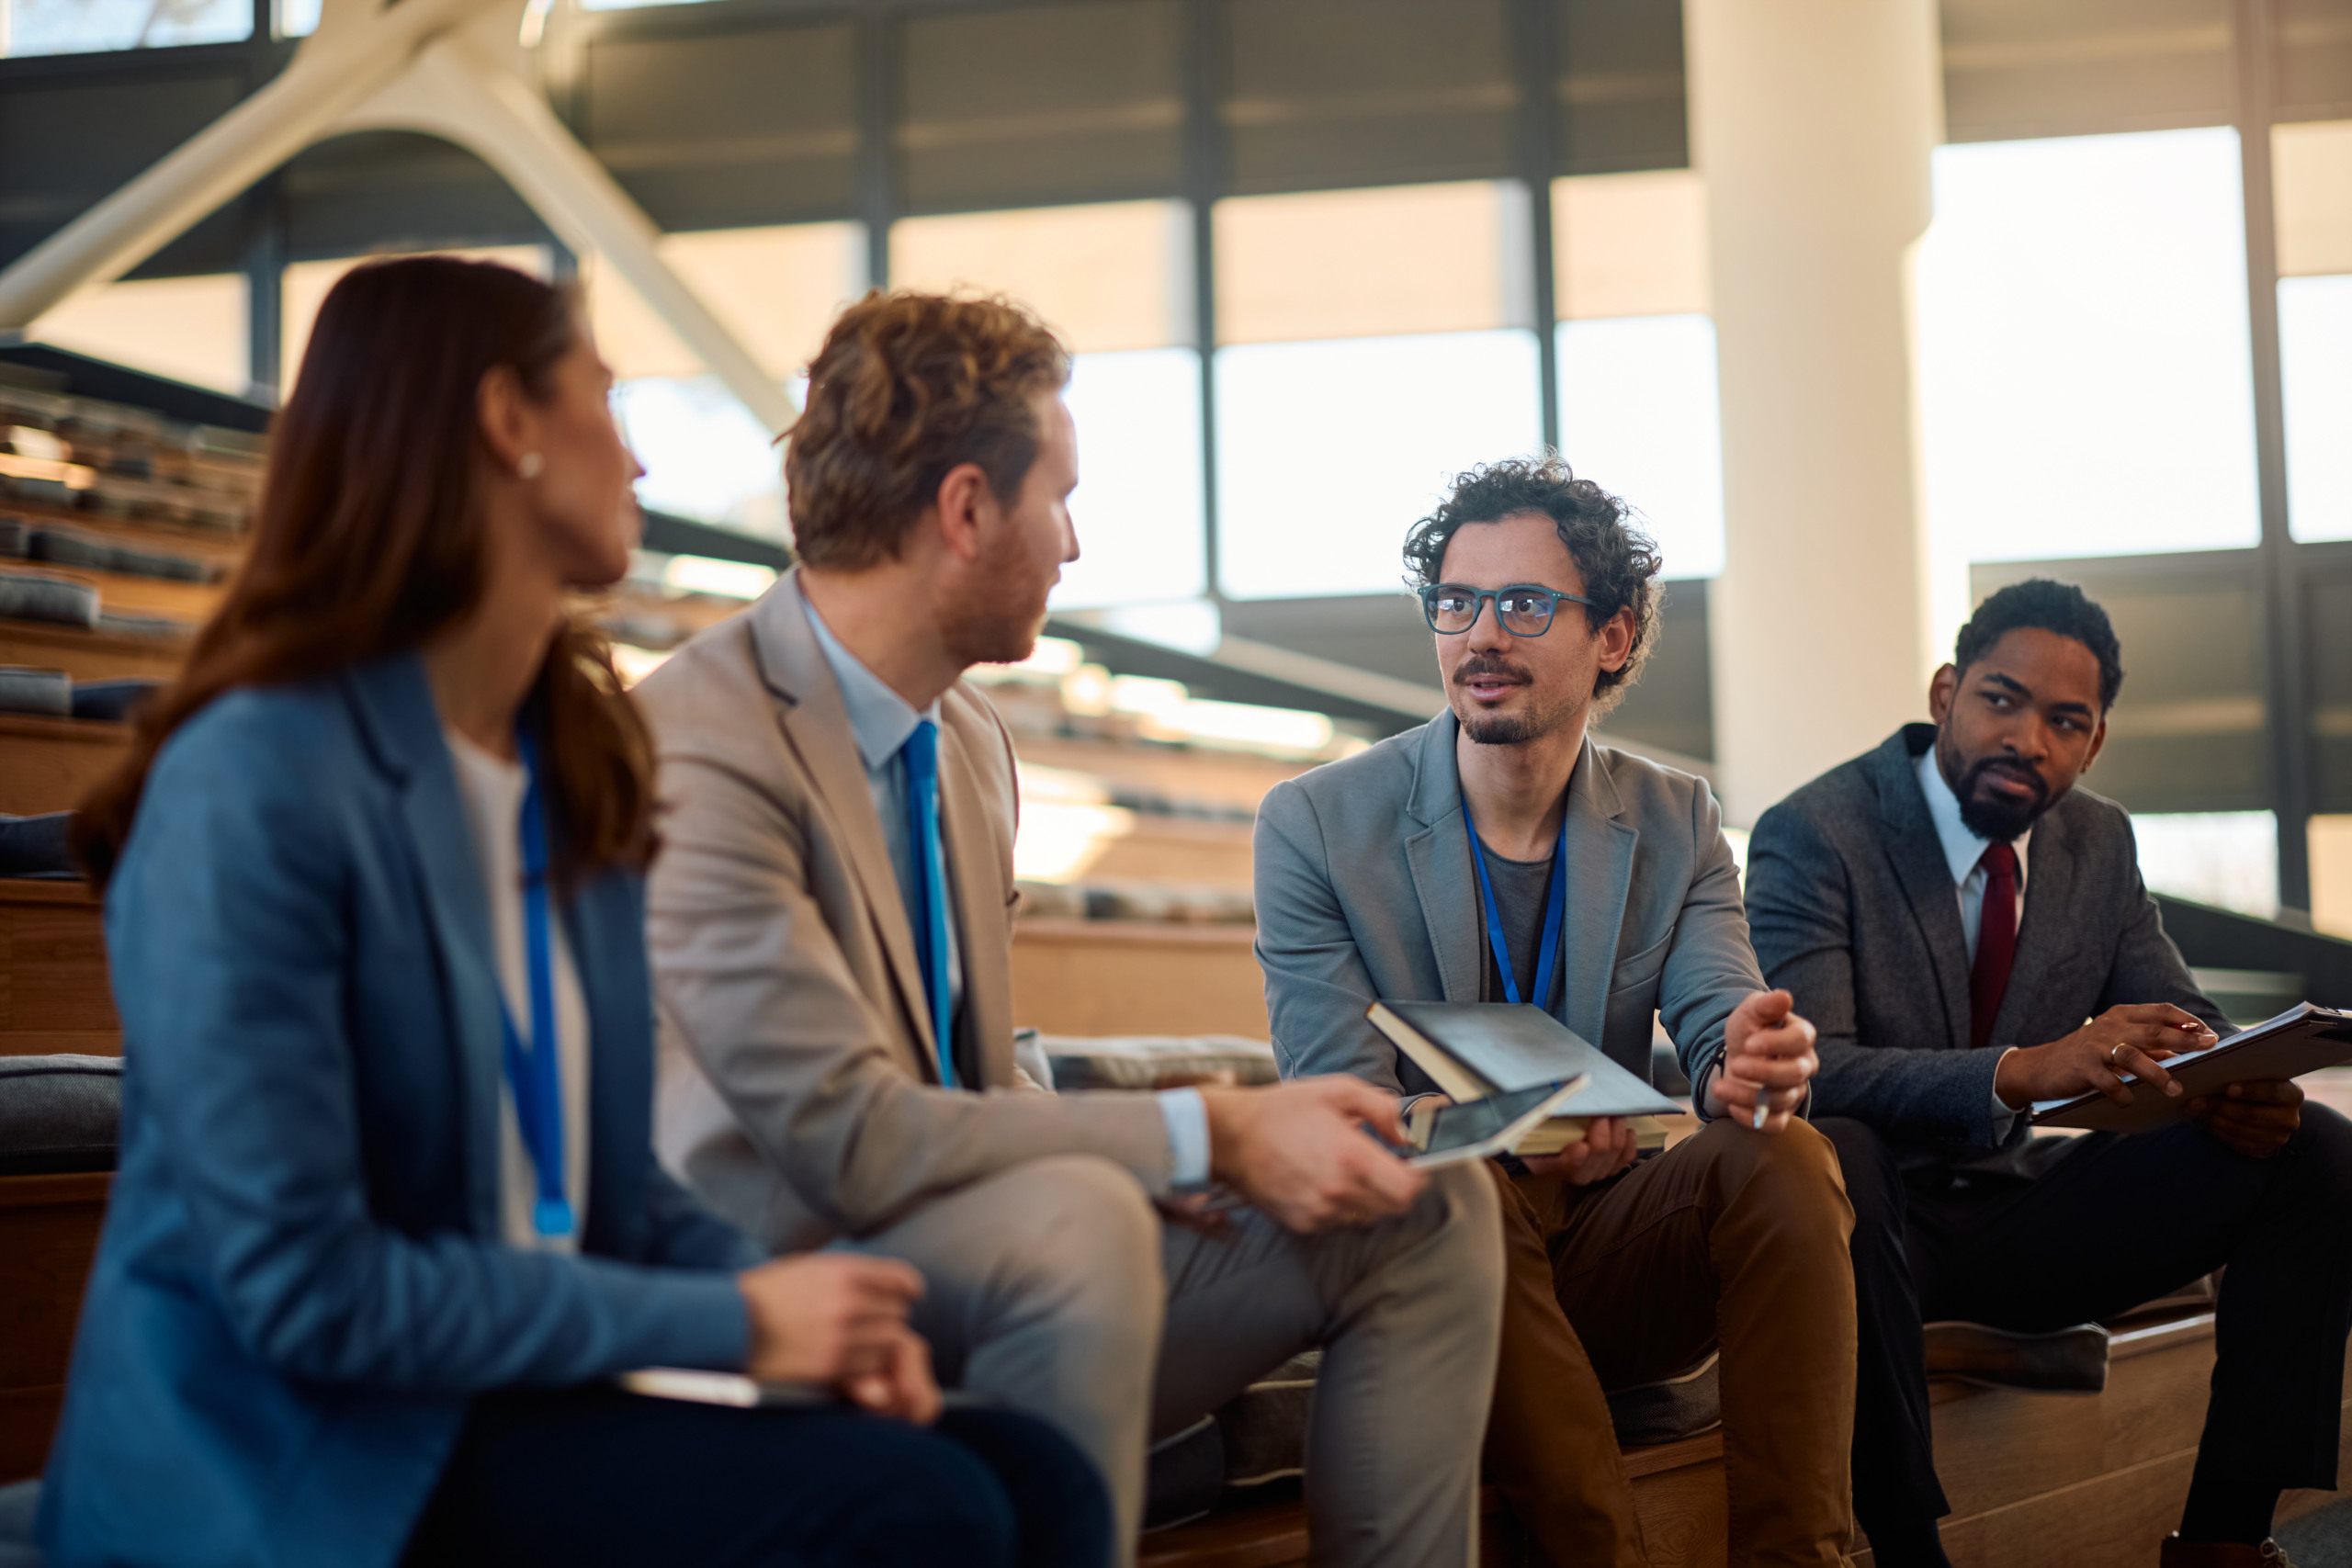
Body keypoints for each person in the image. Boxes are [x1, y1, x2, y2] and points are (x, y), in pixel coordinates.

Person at [40, 257, 1110, 1568]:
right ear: (507, 424)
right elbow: (308, 1291)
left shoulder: (578, 762)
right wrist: (738, 1325)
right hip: (317, 1454)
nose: (640, 459)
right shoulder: (253, 779)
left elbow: (616, 1200)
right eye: (601, 399)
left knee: (1031, 1472)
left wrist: (796, 1305)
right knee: (923, 1510)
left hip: (529, 1391)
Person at [637, 289, 1505, 1566]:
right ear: (969, 509)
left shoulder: (973, 742)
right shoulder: (694, 742)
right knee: (1080, 1225)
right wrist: (1195, 1128)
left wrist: (1159, 1159)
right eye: (1062, 497)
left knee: (1424, 1202)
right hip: (776, 1298)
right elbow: (847, 1133)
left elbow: (968, 1076)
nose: (1077, 545)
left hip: (997, 1251)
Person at [1253, 457, 1860, 1568]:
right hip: (1429, 1260)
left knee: (1788, 1160)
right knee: (1462, 1191)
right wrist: (1529, 1146)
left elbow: (1726, 1011)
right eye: (1455, 602)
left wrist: (1747, 1066)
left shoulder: (1677, 819)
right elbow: (1342, 1116)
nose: (1479, 634)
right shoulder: (1315, 826)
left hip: (1606, 1248)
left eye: (1524, 604)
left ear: (1613, 637)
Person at [1746, 578, 2352, 1568]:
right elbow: (1810, 1073)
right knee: (1834, 1147)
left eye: (2064, 721)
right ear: (1946, 692)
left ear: (2094, 741)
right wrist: (2024, 1071)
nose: (2029, 737)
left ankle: (2225, 1538)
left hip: (2012, 1216)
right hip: (1862, 1223)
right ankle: (1907, 1551)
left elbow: (2178, 1008)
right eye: (2000, 700)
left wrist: (2233, 1080)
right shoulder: (1818, 831)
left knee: (2313, 1150)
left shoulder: (2095, 841)